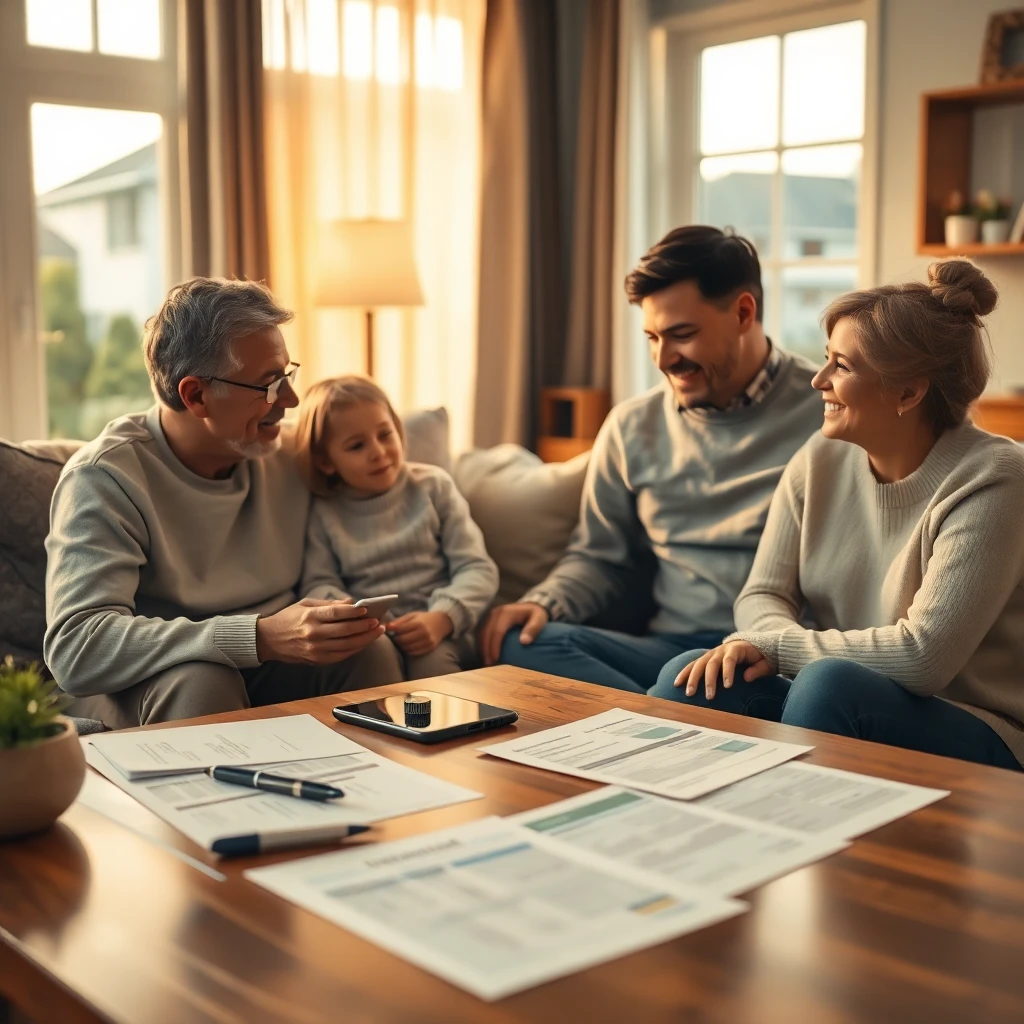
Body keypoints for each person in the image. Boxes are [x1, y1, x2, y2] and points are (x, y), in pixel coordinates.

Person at [650, 259, 1024, 772]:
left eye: (841, 366)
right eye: (825, 359)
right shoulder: (820, 459)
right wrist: (756, 647)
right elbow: (763, 595)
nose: (818, 380)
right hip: (836, 696)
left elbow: (922, 658)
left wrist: (773, 647)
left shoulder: (995, 477)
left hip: (982, 727)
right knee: (692, 675)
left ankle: (791, 837)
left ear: (908, 392)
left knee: (829, 686)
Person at [45, 278, 405, 729]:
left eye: (287, 375)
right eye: (268, 385)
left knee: (366, 648)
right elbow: (78, 648)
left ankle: (385, 791)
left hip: (272, 663)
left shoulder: (291, 455)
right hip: (152, 683)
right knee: (203, 679)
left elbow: (406, 489)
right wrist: (257, 637)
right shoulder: (104, 477)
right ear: (196, 395)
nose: (291, 401)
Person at [479, 225, 823, 692]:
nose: (663, 359)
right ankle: (663, 719)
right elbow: (599, 556)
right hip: (672, 651)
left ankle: (653, 720)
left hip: (768, 655)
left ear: (744, 312)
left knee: (686, 683)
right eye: (652, 338)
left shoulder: (828, 415)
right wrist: (544, 602)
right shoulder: (631, 426)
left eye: (681, 335)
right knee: (521, 643)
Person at [296, 376, 499, 679]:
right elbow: (317, 582)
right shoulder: (325, 512)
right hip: (375, 636)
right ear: (326, 462)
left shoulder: (434, 486)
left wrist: (443, 617)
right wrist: (346, 608)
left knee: (429, 668)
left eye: (385, 434)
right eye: (356, 445)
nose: (378, 451)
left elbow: (477, 568)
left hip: (447, 628)